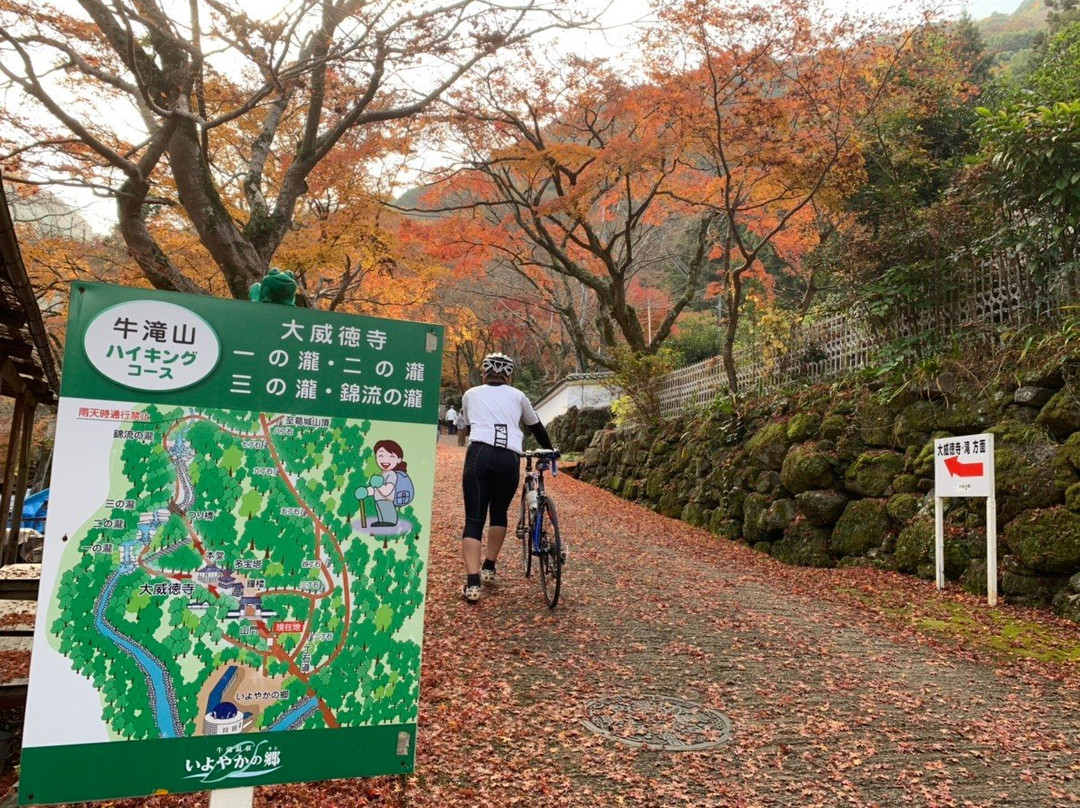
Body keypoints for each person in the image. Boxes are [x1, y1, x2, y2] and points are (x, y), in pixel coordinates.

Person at [458, 352, 555, 603]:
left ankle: (473, 583)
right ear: (509, 375)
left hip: (479, 454)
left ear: (484, 372)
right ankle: (489, 567)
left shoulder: (470, 394)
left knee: (474, 518)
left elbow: (467, 425)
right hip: (509, 457)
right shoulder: (518, 396)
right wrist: (550, 449)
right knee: (499, 512)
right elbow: (536, 426)